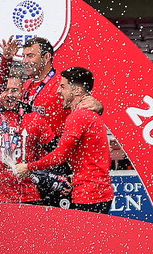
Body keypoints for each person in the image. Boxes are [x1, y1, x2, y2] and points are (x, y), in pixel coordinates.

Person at [14, 67, 113, 214]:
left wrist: (28, 167)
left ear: (77, 91)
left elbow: (59, 156)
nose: (58, 91)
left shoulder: (78, 116)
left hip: (89, 194)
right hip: (97, 191)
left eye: (63, 86)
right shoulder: (89, 114)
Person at [0, 72, 54, 203]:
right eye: (5, 90)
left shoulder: (33, 118)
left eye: (14, 90)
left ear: (22, 92)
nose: (9, 95)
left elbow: (56, 152)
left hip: (27, 196)